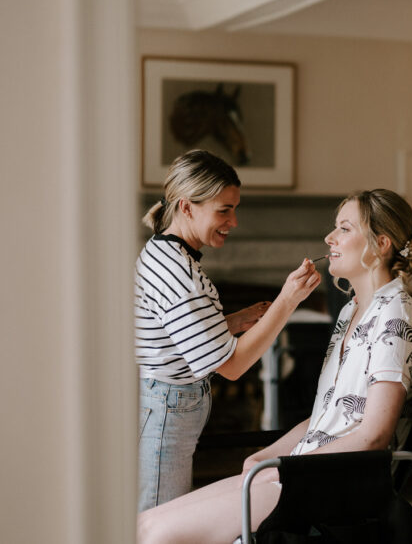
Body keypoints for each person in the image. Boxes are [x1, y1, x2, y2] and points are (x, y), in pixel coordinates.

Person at [137, 188, 412, 544]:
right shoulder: (353, 310)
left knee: (156, 536)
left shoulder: (394, 314)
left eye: (345, 228)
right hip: (305, 473)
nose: (329, 237)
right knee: (144, 524)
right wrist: (269, 453)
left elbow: (374, 435)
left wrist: (289, 466)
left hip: (340, 486)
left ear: (381, 244)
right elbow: (327, 415)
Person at [136, 149, 322, 511]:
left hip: (162, 403)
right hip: (168, 412)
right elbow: (232, 366)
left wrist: (237, 320)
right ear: (187, 207)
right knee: (160, 521)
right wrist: (287, 300)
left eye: (234, 208)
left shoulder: (162, 253)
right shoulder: (181, 276)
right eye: (224, 210)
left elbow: (181, 332)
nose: (234, 222)